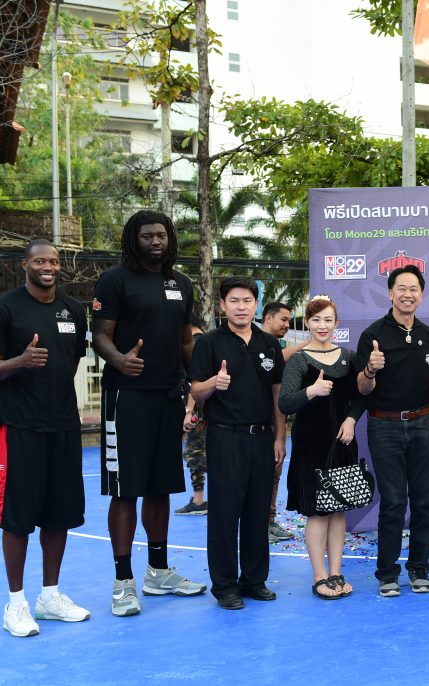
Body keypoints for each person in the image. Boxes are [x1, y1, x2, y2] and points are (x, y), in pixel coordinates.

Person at [92, 210, 206, 617]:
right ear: (133, 239)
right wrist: (120, 360)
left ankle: (157, 572)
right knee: (125, 488)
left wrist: (202, 378)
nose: (155, 241)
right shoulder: (115, 279)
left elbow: (185, 343)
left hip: (166, 396)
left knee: (160, 486)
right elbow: (100, 336)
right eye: (147, 236)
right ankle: (123, 581)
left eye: (161, 235)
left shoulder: (181, 283)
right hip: (126, 396)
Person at [0, 240, 91, 637]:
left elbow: (69, 360)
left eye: (53, 261)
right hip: (19, 425)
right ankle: (16, 602)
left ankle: (49, 596)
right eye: (40, 261)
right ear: (25, 265)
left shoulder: (73, 311)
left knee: (59, 514)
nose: (48, 267)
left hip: (63, 425)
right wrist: (19, 362)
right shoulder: (6, 307)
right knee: (17, 518)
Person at [188, 277, 286, 610]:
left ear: (257, 304)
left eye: (247, 300)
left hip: (262, 438)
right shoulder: (209, 343)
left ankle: (254, 580)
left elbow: (277, 394)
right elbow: (196, 391)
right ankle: (226, 586)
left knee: (258, 512)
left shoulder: (269, 344)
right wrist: (215, 382)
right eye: (234, 300)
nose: (241, 306)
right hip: (224, 436)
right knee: (224, 514)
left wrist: (280, 436)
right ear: (222, 305)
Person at [356, 265, 429, 597]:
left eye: (414, 289)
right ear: (390, 293)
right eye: (401, 288)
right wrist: (369, 369)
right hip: (385, 426)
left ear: (421, 295)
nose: (408, 294)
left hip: (423, 425)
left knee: (426, 501)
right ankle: (387, 573)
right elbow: (362, 389)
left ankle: (419, 568)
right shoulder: (373, 335)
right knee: (393, 501)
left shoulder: (427, 334)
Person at [278, 295, 364, 599]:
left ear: (337, 323)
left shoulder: (349, 357)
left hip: (342, 442)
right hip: (311, 444)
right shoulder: (299, 360)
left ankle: (337, 572)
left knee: (338, 509)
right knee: (317, 512)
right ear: (307, 324)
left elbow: (362, 395)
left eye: (328, 320)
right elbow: (285, 401)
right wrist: (311, 391)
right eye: (316, 320)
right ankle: (319, 575)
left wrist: (352, 420)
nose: (322, 326)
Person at [261, 301, 307, 542]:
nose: (287, 325)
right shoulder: (256, 342)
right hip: (253, 425)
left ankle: (268, 521)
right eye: (284, 320)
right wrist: (310, 342)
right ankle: (257, 524)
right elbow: (280, 358)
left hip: (273, 423)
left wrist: (280, 434)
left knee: (274, 473)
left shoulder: (274, 345)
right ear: (268, 318)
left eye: (290, 321)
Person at [176, 313, 208, 516]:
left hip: (199, 409)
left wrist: (189, 410)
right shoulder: (207, 341)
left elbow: (195, 379)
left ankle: (198, 500)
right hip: (205, 408)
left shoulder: (195, 343)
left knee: (195, 453)